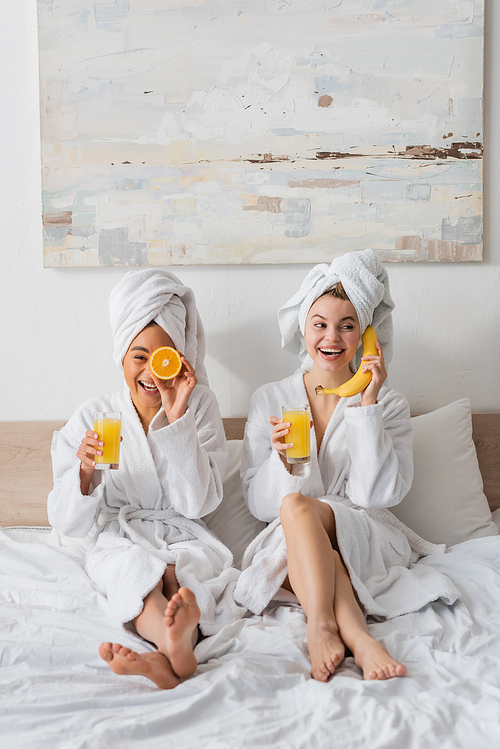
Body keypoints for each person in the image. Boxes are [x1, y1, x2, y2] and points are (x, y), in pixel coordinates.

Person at [234, 250, 458, 682]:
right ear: (304, 326)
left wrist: (367, 407)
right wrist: (283, 465)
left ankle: (319, 626)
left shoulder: (388, 403)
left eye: (347, 325)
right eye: (319, 323)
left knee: (299, 507)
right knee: (314, 540)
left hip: (364, 532)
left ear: (366, 335)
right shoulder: (269, 399)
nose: (330, 337)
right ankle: (361, 638)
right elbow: (261, 506)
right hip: (295, 539)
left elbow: (375, 497)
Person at [48, 269, 243, 689]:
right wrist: (85, 471)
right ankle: (174, 647)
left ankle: (169, 651)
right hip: (122, 535)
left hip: (184, 532)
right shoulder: (94, 417)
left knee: (181, 574)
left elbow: (197, 505)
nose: (151, 372)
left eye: (163, 357)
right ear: (121, 357)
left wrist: (177, 422)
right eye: (139, 356)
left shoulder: (200, 405)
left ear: (180, 358)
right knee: (133, 569)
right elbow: (67, 523)